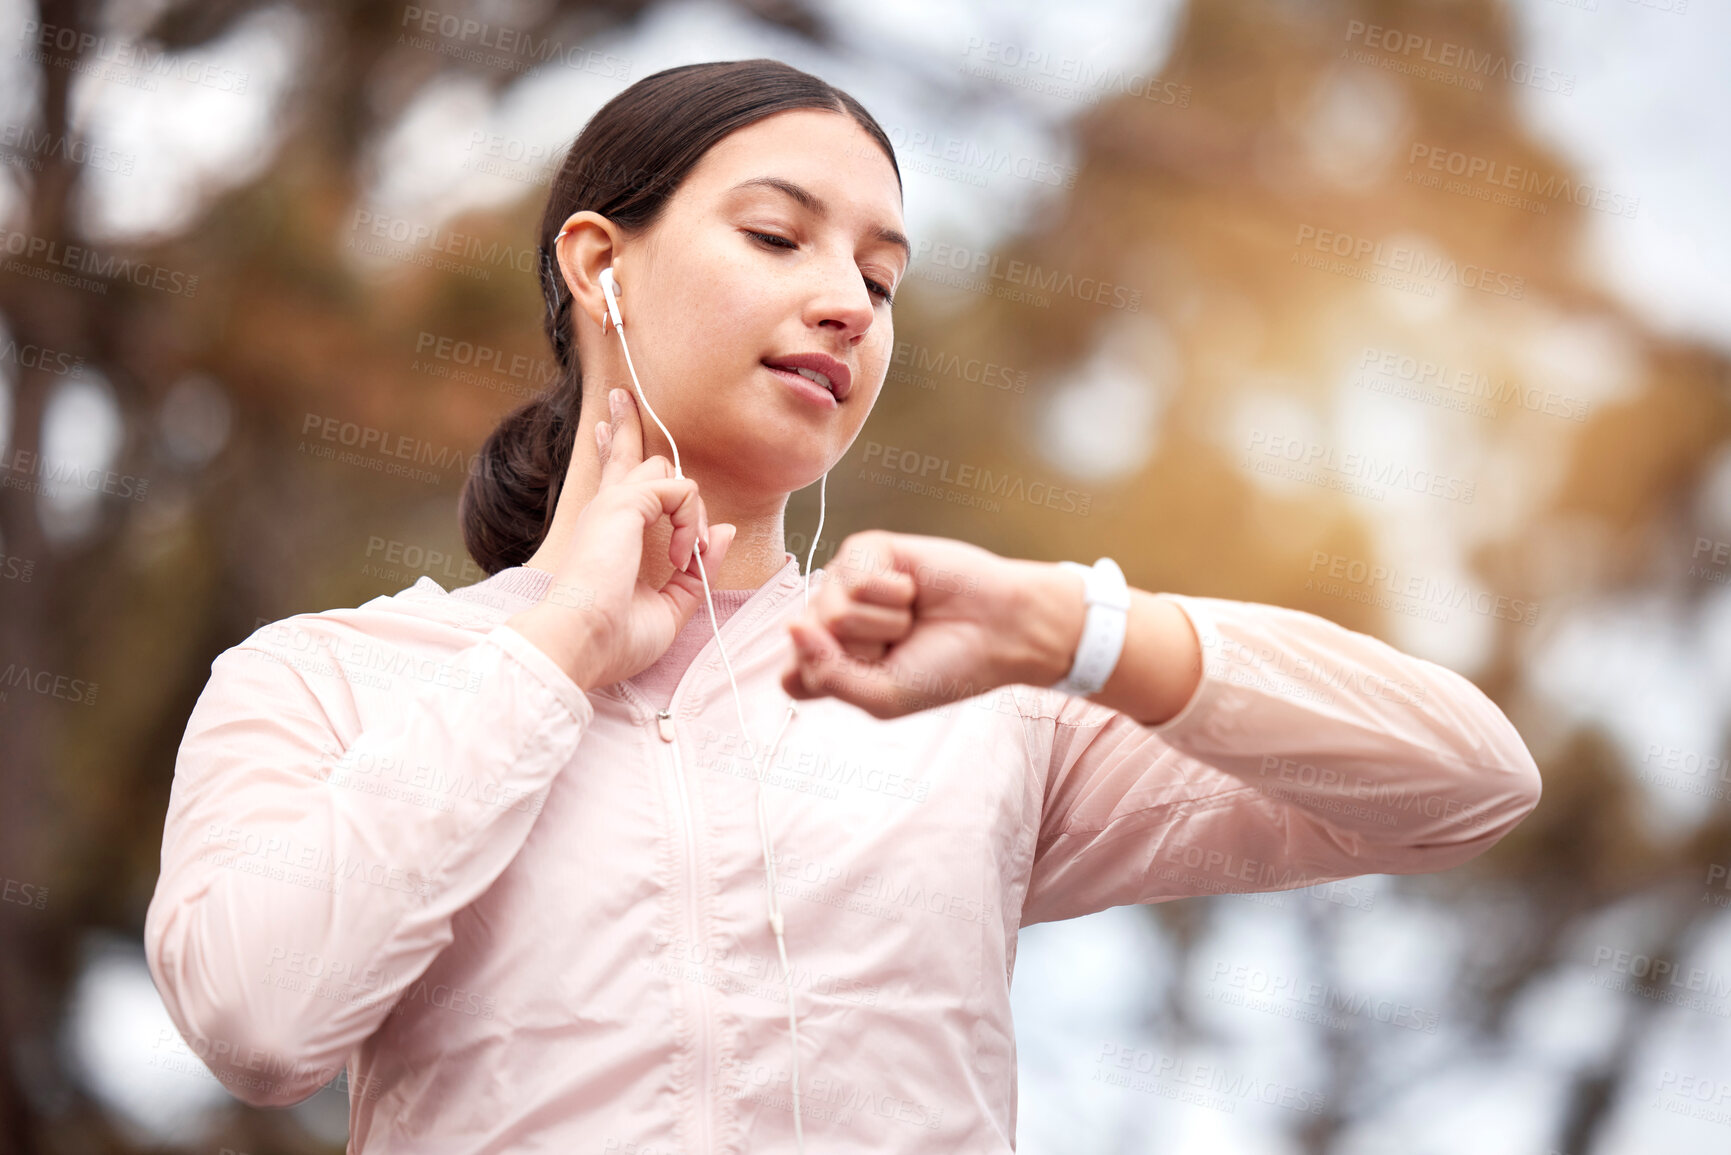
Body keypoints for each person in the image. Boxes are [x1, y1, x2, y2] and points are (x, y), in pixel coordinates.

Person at [144, 57, 1543, 1154]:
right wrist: (557, 650)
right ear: (597, 262)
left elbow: (1464, 783)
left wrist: (1081, 631)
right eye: (776, 236)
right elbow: (260, 1022)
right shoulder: (326, 679)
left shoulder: (961, 695)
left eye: (880, 277)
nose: (847, 304)